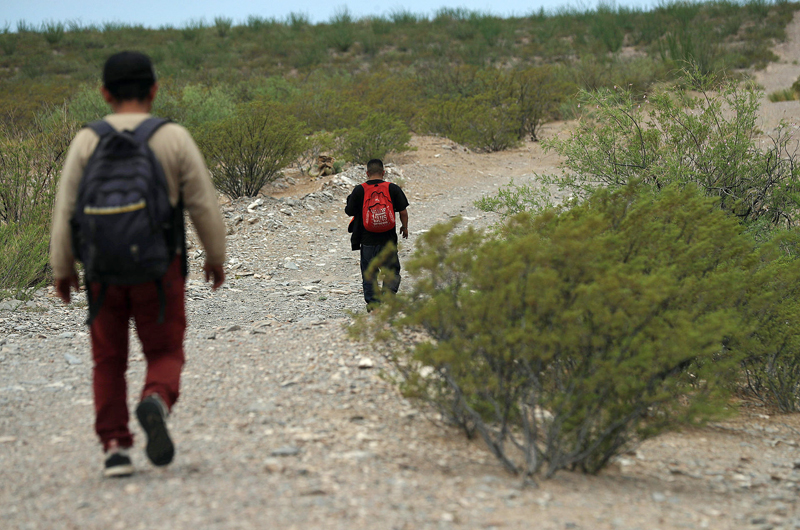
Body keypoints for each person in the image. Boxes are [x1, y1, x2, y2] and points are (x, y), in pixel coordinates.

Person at [49, 51, 227, 477]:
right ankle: (156, 399)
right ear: (154, 89)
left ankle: (114, 447)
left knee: (107, 360)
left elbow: (66, 209)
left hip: (101, 272)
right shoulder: (173, 138)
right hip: (158, 268)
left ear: (104, 93)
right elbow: (204, 205)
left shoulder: (86, 140)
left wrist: (62, 267)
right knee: (164, 349)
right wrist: (215, 257)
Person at [345, 159, 409, 308]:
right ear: (383, 173)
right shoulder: (393, 188)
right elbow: (403, 211)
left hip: (367, 240)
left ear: (367, 173)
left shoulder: (359, 190)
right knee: (392, 270)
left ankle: (373, 305)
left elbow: (349, 211)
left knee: (369, 273)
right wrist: (404, 227)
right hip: (388, 239)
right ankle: (388, 297)